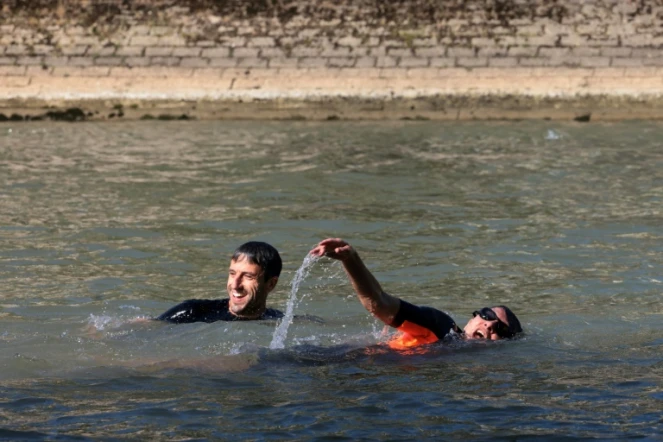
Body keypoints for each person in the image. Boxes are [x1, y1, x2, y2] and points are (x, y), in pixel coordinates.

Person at [310, 238, 522, 349]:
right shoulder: (441, 327)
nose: (490, 324)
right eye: (487, 315)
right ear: (472, 318)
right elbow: (379, 302)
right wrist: (351, 260)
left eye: (501, 330)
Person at [156, 241, 283, 323]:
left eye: (248, 276)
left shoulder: (278, 321)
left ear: (271, 284)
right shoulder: (192, 312)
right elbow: (148, 327)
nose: (235, 285)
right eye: (232, 274)